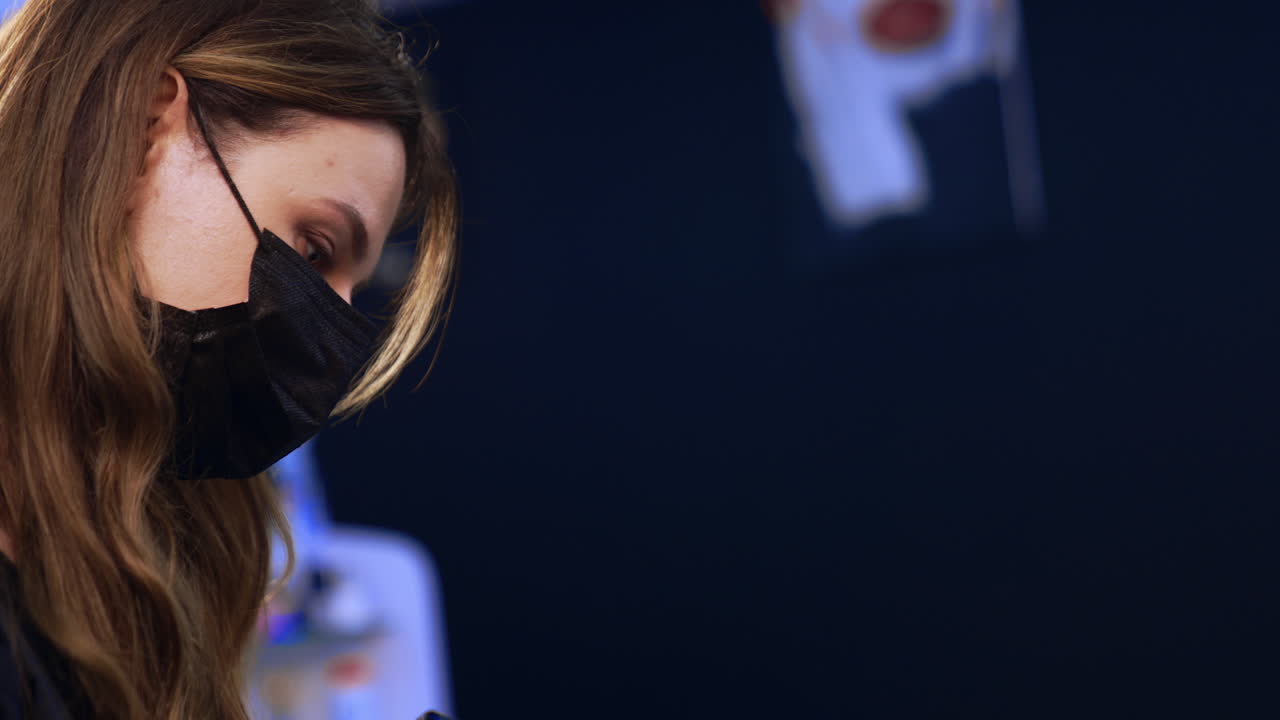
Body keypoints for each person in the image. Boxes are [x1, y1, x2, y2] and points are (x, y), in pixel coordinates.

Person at [0, 1, 458, 718]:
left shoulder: (107, 572)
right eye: (314, 248)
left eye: (350, 291)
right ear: (144, 132)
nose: (328, 333)